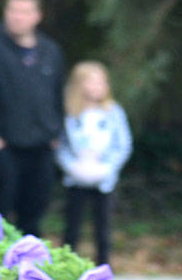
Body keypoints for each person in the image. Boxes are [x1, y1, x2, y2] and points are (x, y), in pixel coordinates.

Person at [0, 0, 65, 237]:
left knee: (33, 214)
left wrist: (55, 132)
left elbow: (57, 95)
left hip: (42, 145)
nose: (17, 17)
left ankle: (30, 272)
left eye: (24, 11)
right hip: (4, 145)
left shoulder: (51, 51)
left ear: (37, 16)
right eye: (12, 10)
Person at [56, 61, 132, 266]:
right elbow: (60, 145)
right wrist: (71, 166)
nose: (97, 87)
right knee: (72, 227)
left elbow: (123, 144)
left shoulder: (113, 112)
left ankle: (104, 269)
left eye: (101, 82)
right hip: (75, 179)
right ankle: (66, 267)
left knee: (103, 228)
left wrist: (108, 168)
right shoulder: (69, 114)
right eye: (92, 82)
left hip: (104, 181)